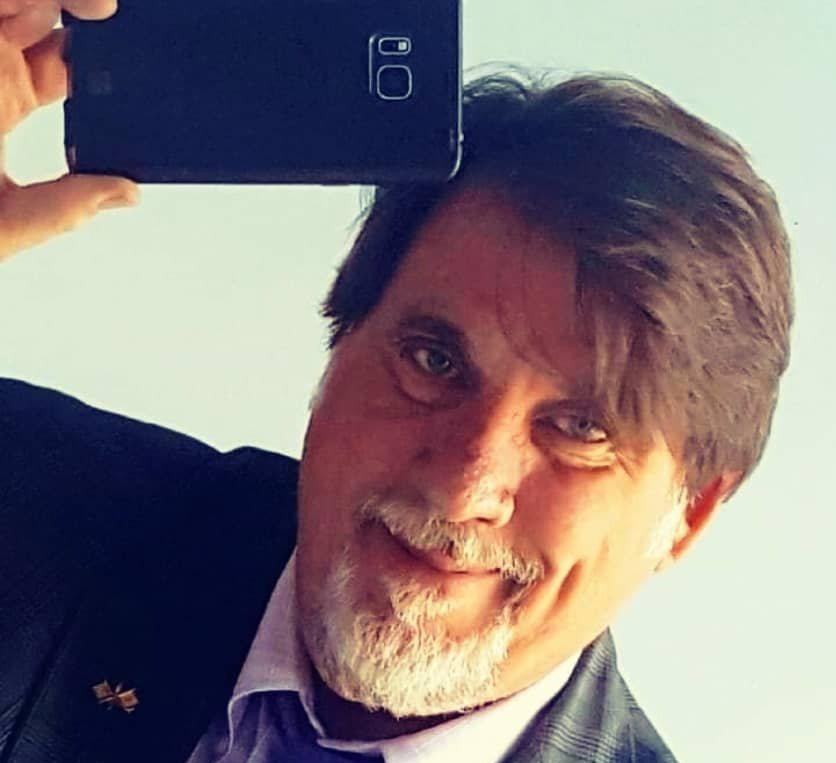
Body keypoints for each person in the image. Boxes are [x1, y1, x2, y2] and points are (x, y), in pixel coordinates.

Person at [0, 2, 793, 762]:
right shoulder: (28, 503)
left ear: (688, 514)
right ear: (341, 337)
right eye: (434, 362)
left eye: (583, 427)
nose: (464, 485)